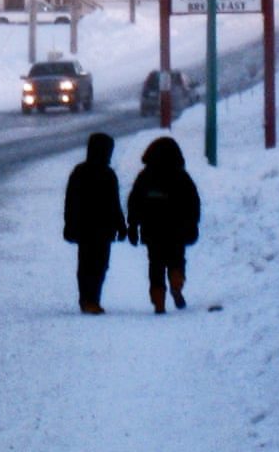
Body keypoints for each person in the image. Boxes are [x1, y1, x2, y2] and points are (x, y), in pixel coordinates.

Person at [127, 135, 202, 314]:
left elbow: (135, 202)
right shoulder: (182, 176)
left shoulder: (145, 177)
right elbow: (193, 202)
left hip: (152, 229)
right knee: (177, 259)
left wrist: (133, 225)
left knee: (155, 264)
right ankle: (176, 283)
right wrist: (193, 223)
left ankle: (158, 300)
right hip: (177, 229)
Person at [62, 131, 127, 315]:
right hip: (103, 229)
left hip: (83, 228)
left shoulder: (79, 172)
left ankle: (87, 299)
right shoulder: (108, 174)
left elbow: (70, 201)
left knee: (86, 264)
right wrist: (121, 226)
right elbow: (114, 204)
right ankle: (92, 300)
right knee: (99, 265)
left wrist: (69, 224)